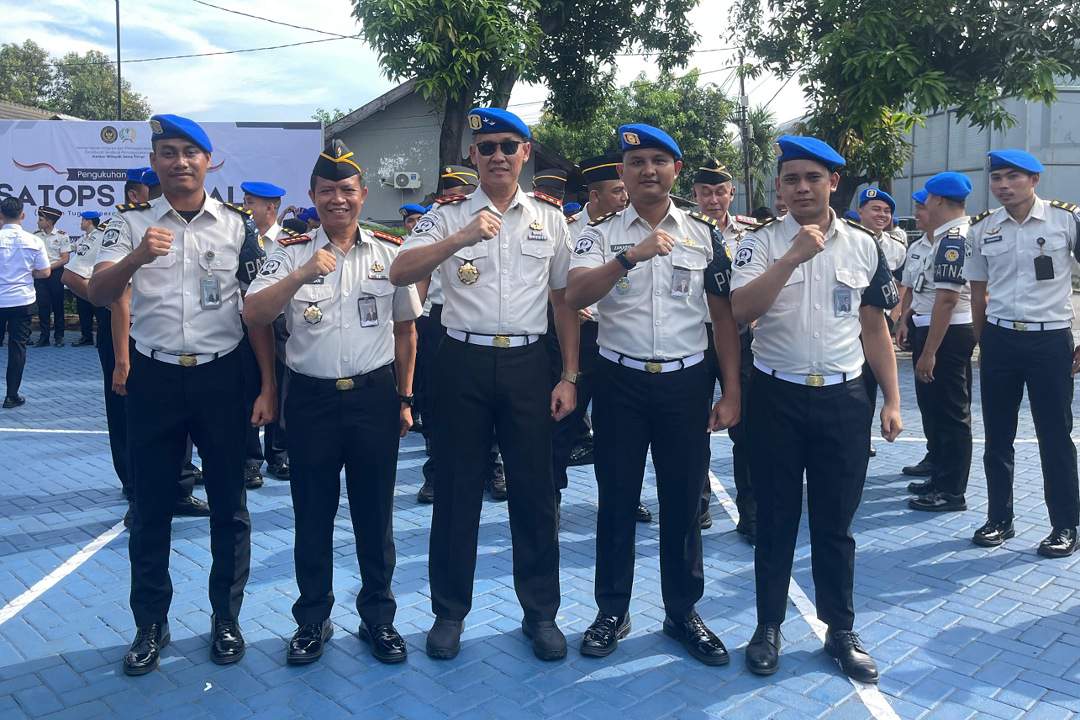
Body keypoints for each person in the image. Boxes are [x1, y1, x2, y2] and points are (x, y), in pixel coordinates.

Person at [89, 114, 277, 676]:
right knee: (150, 508)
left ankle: (226, 618)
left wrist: (268, 384)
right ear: (154, 162)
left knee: (229, 506)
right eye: (168, 152)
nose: (179, 162)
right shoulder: (129, 224)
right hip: (155, 378)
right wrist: (136, 258)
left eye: (190, 152)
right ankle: (150, 624)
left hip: (223, 379)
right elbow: (98, 291)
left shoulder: (238, 227)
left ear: (208, 161)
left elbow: (257, 311)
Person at [390, 107, 578, 661]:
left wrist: (569, 374)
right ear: (473, 155)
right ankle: (449, 613)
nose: (498, 156)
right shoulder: (447, 215)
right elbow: (400, 272)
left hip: (528, 363)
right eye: (487, 147)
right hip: (461, 362)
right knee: (456, 491)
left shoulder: (550, 219)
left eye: (508, 146)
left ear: (526, 153)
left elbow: (564, 301)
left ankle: (540, 613)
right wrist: (460, 237)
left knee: (534, 492)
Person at [566, 124, 741, 664]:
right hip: (619, 381)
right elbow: (575, 294)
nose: (647, 170)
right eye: (636, 161)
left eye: (658, 161)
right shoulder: (598, 233)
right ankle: (612, 611)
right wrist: (629, 257)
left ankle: (682, 612)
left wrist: (731, 390)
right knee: (617, 499)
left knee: (683, 502)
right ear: (622, 172)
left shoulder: (703, 234)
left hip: (687, 383)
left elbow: (723, 318)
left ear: (675, 170)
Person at [731, 135, 902, 683]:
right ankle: (768, 626)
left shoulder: (864, 245)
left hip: (844, 399)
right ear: (779, 188)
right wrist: (791, 258)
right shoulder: (759, 244)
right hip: (775, 396)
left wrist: (892, 399)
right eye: (791, 180)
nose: (801, 188)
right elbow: (739, 310)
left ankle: (840, 630)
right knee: (775, 520)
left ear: (834, 183)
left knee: (835, 524)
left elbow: (874, 327)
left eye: (812, 178)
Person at [245, 139, 422, 665]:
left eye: (346, 189)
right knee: (312, 514)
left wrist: (405, 397)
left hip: (374, 398)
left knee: (375, 515)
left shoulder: (390, 251)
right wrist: (301, 274)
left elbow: (406, 331)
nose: (337, 199)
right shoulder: (289, 252)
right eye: (327, 190)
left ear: (362, 194)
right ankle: (312, 619)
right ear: (312, 195)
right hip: (311, 400)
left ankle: (379, 618)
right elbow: (255, 314)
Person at [966, 149, 1080, 558]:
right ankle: (1000, 518)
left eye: (1013, 177)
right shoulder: (982, 228)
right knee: (997, 435)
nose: (1003, 185)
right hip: (1000, 339)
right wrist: (984, 341)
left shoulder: (1067, 220)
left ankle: (1065, 524)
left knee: (1055, 435)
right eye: (997, 178)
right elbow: (977, 292)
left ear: (1034, 180)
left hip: (1050, 341)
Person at [553, 154, 652, 521]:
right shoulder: (567, 230)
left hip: (616, 338)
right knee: (563, 423)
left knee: (619, 433)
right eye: (617, 191)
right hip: (576, 337)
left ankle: (624, 497)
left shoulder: (634, 229)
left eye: (625, 191)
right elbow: (552, 287)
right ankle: (551, 499)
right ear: (594, 196)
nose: (625, 197)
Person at [690, 159, 758, 538]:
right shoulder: (683, 231)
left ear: (732, 193)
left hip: (741, 337)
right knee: (693, 426)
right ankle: (697, 506)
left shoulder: (753, 234)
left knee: (746, 428)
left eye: (720, 192)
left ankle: (751, 513)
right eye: (706, 193)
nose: (713, 200)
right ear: (695, 194)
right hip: (694, 337)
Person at [904, 172, 977, 513]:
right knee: (938, 409)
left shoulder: (953, 240)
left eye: (928, 199)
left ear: (938, 200)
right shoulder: (946, 237)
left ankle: (951, 490)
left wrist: (930, 352)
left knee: (951, 413)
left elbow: (947, 300)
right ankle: (940, 477)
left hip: (947, 333)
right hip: (935, 329)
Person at [414, 165, 479, 504]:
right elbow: (419, 275)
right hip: (439, 317)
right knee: (439, 400)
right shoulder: (437, 222)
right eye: (448, 194)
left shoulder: (491, 220)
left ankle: (493, 466)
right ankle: (436, 473)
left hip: (482, 318)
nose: (451, 199)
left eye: (459, 194)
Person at [241, 181, 292, 483]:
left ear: (271, 207)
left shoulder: (289, 242)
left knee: (282, 385)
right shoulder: (238, 240)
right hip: (245, 321)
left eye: (251, 203)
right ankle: (250, 459)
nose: (246, 208)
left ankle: (279, 453)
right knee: (248, 386)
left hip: (281, 322)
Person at [856, 188, 907, 457]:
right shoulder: (848, 240)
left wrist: (894, 316)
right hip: (849, 323)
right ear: (861, 211)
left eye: (887, 211)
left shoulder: (896, 248)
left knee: (871, 380)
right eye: (875, 209)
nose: (882, 215)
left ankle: (863, 436)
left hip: (879, 324)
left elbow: (902, 284)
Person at [895, 189, 937, 483]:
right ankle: (934, 455)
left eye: (921, 208)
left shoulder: (958, 242)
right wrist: (903, 321)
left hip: (947, 331)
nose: (916, 214)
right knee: (927, 399)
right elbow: (909, 289)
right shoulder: (917, 246)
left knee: (948, 406)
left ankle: (947, 470)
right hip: (919, 326)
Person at [0, 197, 50, 408]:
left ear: (1, 215)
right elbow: (45, 272)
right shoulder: (34, 241)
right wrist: (29, 273)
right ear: (22, 215)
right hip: (22, 300)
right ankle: (11, 396)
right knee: (18, 347)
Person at [33, 205, 70, 347]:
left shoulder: (62, 235)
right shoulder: (36, 235)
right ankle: (44, 337)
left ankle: (59, 336)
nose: (38, 222)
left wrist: (47, 268)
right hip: (40, 275)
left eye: (41, 219)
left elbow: (65, 259)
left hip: (56, 273)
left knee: (58, 304)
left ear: (49, 221)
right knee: (43, 306)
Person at [73, 212, 103, 346]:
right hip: (81, 278)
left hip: (95, 279)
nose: (81, 223)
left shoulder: (101, 237)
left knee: (100, 311)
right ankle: (86, 337)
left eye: (83, 220)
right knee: (83, 311)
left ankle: (102, 338)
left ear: (89, 221)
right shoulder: (81, 239)